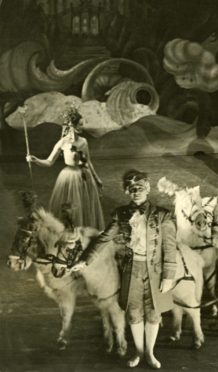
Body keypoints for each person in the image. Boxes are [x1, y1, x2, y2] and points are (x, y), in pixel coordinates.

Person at [74, 169, 176, 369]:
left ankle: (150, 353)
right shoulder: (120, 214)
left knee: (154, 313)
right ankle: (138, 352)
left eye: (140, 188)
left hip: (155, 271)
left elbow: (169, 247)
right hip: (132, 270)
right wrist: (85, 260)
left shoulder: (162, 215)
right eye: (131, 189)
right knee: (133, 313)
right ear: (127, 192)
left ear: (147, 189)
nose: (136, 191)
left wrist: (168, 276)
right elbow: (104, 238)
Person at [26, 106, 105, 230]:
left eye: (82, 124)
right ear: (71, 126)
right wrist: (35, 160)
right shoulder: (63, 142)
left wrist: (97, 178)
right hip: (68, 178)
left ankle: (82, 238)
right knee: (70, 210)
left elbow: (88, 162)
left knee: (84, 209)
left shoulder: (83, 141)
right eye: (79, 125)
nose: (82, 127)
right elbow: (49, 162)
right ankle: (69, 237)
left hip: (84, 177)